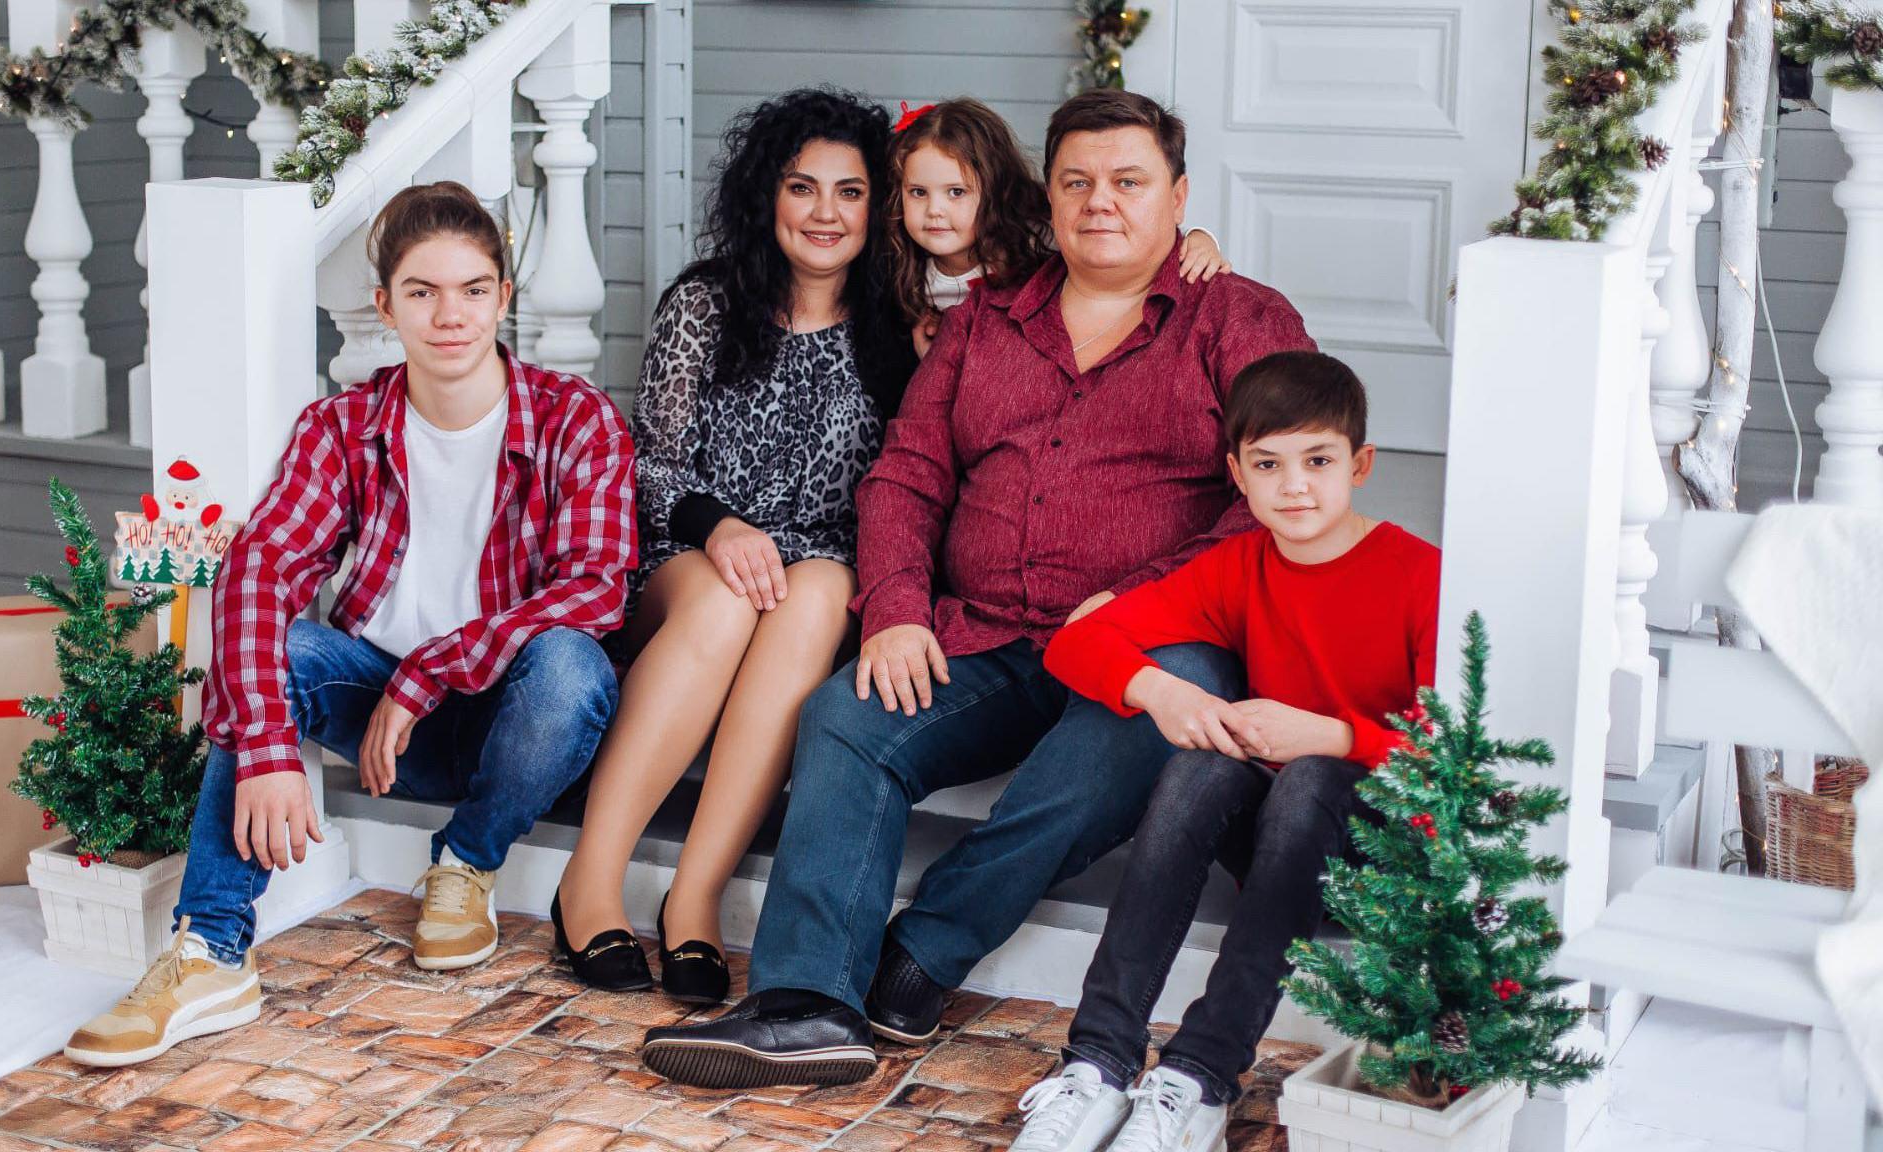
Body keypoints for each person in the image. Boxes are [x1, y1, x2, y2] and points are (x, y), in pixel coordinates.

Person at [639, 89, 1315, 1089]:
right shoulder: (991, 318)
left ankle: (922, 954)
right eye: (1077, 182)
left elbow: (1270, 503)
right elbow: (906, 472)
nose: (1100, 204)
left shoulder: (1241, 321)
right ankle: (804, 1003)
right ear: (1047, 194)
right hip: (986, 635)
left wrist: (1143, 605)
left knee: (1149, 723)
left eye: (1128, 182)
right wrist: (899, 611)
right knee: (845, 715)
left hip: (1146, 647)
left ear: (1176, 197)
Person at [62, 182, 635, 1068]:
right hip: (379, 721)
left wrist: (431, 671)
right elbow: (259, 571)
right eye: (422, 291)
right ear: (384, 305)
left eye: (474, 289)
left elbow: (595, 591)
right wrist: (263, 746)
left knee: (570, 668)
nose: (451, 316)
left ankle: (468, 861)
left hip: (512, 728)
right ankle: (211, 949)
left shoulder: (576, 421)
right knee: (274, 645)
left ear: (505, 297)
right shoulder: (343, 427)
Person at [1013, 351, 1441, 1152]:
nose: (1295, 487)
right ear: (1237, 476)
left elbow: (1452, 756)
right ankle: (1099, 1064)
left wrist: (1333, 735)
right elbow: (1079, 644)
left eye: (1318, 461)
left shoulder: (1420, 575)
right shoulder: (1241, 565)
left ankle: (1199, 1078)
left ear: (1361, 464)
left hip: (1383, 854)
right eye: (1268, 465)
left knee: (1313, 778)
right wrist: (1167, 694)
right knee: (1198, 766)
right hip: (1276, 845)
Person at [551, 88, 917, 1004]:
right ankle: (590, 878)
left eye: (850, 190)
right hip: (688, 558)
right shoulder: (706, 304)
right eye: (803, 188)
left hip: (813, 576)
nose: (826, 212)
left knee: (821, 591)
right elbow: (654, 467)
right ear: (769, 197)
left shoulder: (899, 335)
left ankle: (696, 900)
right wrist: (720, 527)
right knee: (724, 597)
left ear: (880, 206)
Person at [883, 97, 1227, 360]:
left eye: (956, 192)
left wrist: (1200, 239)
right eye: (918, 193)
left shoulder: (1032, 240)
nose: (935, 212)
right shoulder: (903, 268)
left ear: (993, 193)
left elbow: (1109, 236)